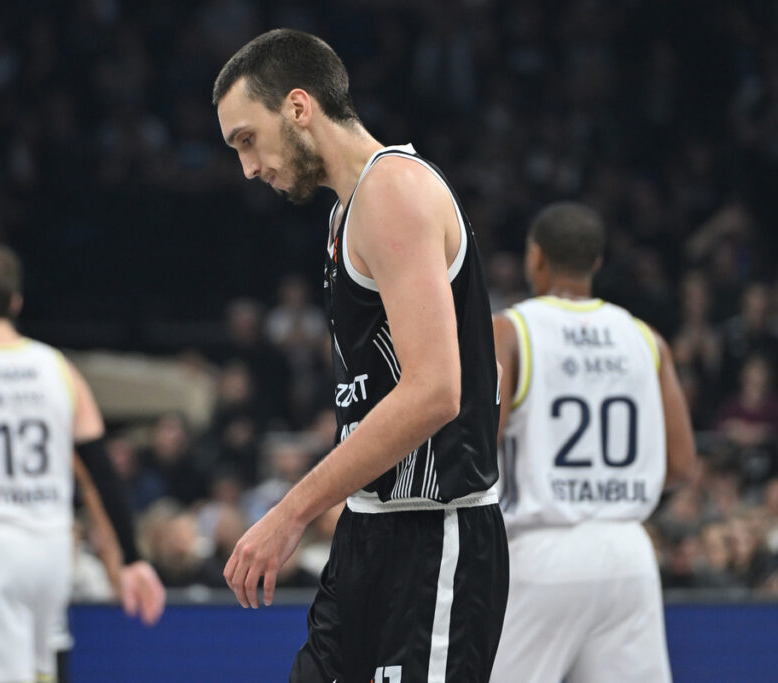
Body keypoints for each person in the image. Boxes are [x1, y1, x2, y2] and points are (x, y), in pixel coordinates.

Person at [213, 29, 508, 682]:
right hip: (371, 527)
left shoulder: (392, 192)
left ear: (298, 107)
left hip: (433, 535)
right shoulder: (347, 211)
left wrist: (290, 511)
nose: (248, 167)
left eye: (247, 139)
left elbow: (436, 391)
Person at [0, 242, 164, 683]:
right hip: (51, 546)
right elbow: (100, 470)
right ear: (16, 301)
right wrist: (131, 557)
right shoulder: (59, 368)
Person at [488, 202, 698, 683]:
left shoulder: (512, 330)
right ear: (597, 262)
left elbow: (477, 446)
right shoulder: (646, 338)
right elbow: (683, 465)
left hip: (542, 548)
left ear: (535, 257)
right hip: (629, 551)